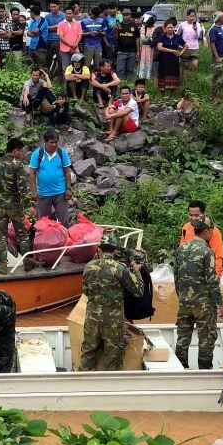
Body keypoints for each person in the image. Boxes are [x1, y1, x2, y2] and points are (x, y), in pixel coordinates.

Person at [80, 233, 144, 371]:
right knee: (113, 359)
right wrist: (136, 271)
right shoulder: (119, 268)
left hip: (92, 320)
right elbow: (138, 291)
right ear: (115, 250)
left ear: (99, 249)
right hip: (113, 323)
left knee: (88, 355)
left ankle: (82, 387)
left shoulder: (89, 267)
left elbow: (85, 291)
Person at [174, 215, 223, 369]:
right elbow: (212, 281)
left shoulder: (181, 249)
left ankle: (180, 369)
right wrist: (220, 303)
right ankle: (205, 371)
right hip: (204, 305)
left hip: (184, 302)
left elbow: (176, 277)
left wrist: (182, 297)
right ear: (207, 231)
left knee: (183, 338)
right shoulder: (207, 251)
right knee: (206, 338)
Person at [0, 137, 35, 275]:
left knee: (1, 236)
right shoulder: (17, 165)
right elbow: (22, 188)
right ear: (16, 150)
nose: (22, 154)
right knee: (22, 235)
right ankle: (27, 262)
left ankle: (3, 265)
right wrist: (29, 205)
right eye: (21, 151)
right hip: (15, 206)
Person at [28, 129, 72, 228]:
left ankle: (65, 241)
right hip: (43, 193)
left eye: (56, 142)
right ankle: (45, 242)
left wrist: (68, 189)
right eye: (51, 142)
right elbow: (32, 173)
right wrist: (34, 191)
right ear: (45, 142)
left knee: (64, 221)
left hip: (60, 192)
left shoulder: (62, 153)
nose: (54, 145)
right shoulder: (37, 154)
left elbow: (67, 171)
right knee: (43, 222)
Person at [180, 200, 223, 277]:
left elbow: (218, 257)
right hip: (188, 274)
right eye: (191, 215)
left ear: (203, 214)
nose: (193, 218)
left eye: (196, 215)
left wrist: (217, 277)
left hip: (206, 273)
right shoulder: (186, 228)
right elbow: (182, 251)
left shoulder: (213, 231)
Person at [155, 21, 185, 97]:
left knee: (173, 81)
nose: (170, 29)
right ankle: (162, 99)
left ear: (174, 28)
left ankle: (172, 100)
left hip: (174, 62)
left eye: (171, 27)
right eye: (168, 27)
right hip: (163, 61)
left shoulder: (177, 37)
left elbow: (186, 45)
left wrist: (181, 53)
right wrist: (173, 51)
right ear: (165, 28)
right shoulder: (162, 37)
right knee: (162, 80)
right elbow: (160, 47)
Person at [208, 13, 223, 103]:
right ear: (219, 19)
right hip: (218, 57)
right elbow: (212, 44)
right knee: (216, 77)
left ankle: (220, 95)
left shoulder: (221, 29)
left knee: (222, 77)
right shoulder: (214, 30)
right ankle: (214, 97)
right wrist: (217, 57)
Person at [176, 9, 203, 79]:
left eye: (194, 16)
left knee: (195, 65)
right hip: (185, 48)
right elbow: (177, 34)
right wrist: (179, 44)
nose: (192, 18)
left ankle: (194, 79)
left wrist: (196, 30)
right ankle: (185, 80)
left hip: (194, 47)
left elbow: (197, 37)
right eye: (190, 16)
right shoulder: (182, 24)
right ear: (187, 16)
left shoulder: (197, 25)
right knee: (185, 66)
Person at [56, 6, 82, 75]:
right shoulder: (60, 24)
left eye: (70, 13)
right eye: (67, 13)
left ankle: (76, 84)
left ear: (73, 14)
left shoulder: (78, 23)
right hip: (64, 49)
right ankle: (66, 84)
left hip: (75, 49)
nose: (68, 15)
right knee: (66, 68)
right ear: (65, 14)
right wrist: (70, 45)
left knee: (77, 67)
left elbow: (80, 35)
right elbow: (61, 36)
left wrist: (75, 44)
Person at [114, 9, 139, 79]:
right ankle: (120, 85)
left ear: (130, 16)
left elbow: (137, 38)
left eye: (127, 15)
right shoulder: (119, 25)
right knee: (120, 70)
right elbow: (115, 37)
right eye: (124, 15)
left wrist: (138, 51)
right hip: (121, 50)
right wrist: (116, 30)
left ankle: (129, 84)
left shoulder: (134, 26)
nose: (125, 17)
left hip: (132, 51)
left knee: (130, 70)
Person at [80, 6, 106, 70]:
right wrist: (89, 33)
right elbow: (81, 33)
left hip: (98, 46)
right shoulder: (84, 21)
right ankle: (86, 79)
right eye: (95, 16)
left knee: (98, 65)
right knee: (86, 66)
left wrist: (99, 33)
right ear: (92, 14)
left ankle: (97, 79)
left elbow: (104, 32)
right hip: (87, 45)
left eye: (97, 16)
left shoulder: (101, 21)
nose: (96, 17)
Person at [45, 0, 65, 75]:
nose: (52, 8)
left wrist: (53, 27)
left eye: (54, 6)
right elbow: (47, 29)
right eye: (51, 7)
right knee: (48, 59)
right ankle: (47, 76)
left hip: (59, 40)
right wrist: (58, 25)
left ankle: (60, 77)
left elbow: (63, 29)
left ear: (58, 6)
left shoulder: (63, 15)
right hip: (49, 40)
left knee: (60, 60)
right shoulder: (47, 16)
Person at [137, 12, 157, 80]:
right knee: (144, 61)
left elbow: (155, 39)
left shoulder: (156, 29)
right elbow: (143, 39)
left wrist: (151, 39)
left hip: (152, 48)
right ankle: (143, 77)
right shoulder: (143, 28)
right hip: (144, 48)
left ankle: (151, 77)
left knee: (151, 62)